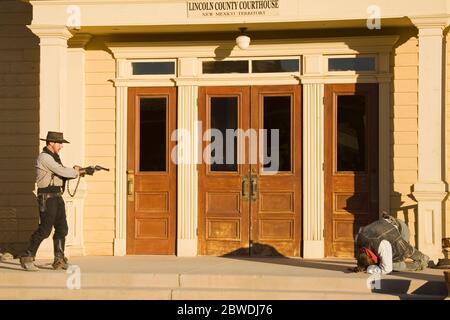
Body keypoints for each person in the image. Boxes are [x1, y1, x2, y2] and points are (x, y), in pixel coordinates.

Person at [19, 131, 93, 271]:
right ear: (51, 143)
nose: (61, 146)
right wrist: (79, 171)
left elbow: (61, 174)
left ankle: (59, 260)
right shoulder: (45, 157)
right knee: (45, 229)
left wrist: (80, 171)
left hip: (56, 196)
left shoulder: (54, 157)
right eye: (59, 143)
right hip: (47, 197)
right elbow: (61, 171)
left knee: (62, 228)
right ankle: (27, 256)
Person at [354, 213, 430, 274]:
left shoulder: (381, 245)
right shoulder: (359, 240)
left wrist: (373, 269)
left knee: (393, 265)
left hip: (401, 230)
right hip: (389, 227)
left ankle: (421, 262)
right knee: (385, 260)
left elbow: (387, 269)